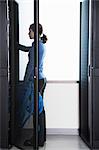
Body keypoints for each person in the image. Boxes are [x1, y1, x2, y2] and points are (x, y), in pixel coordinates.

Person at [17, 23, 47, 146]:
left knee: (37, 111)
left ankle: (37, 139)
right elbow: (28, 50)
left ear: (35, 32)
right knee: (39, 111)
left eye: (29, 31)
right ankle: (40, 139)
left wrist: (24, 82)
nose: (28, 33)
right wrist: (16, 46)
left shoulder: (38, 46)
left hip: (36, 80)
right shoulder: (38, 45)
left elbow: (31, 66)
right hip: (40, 80)